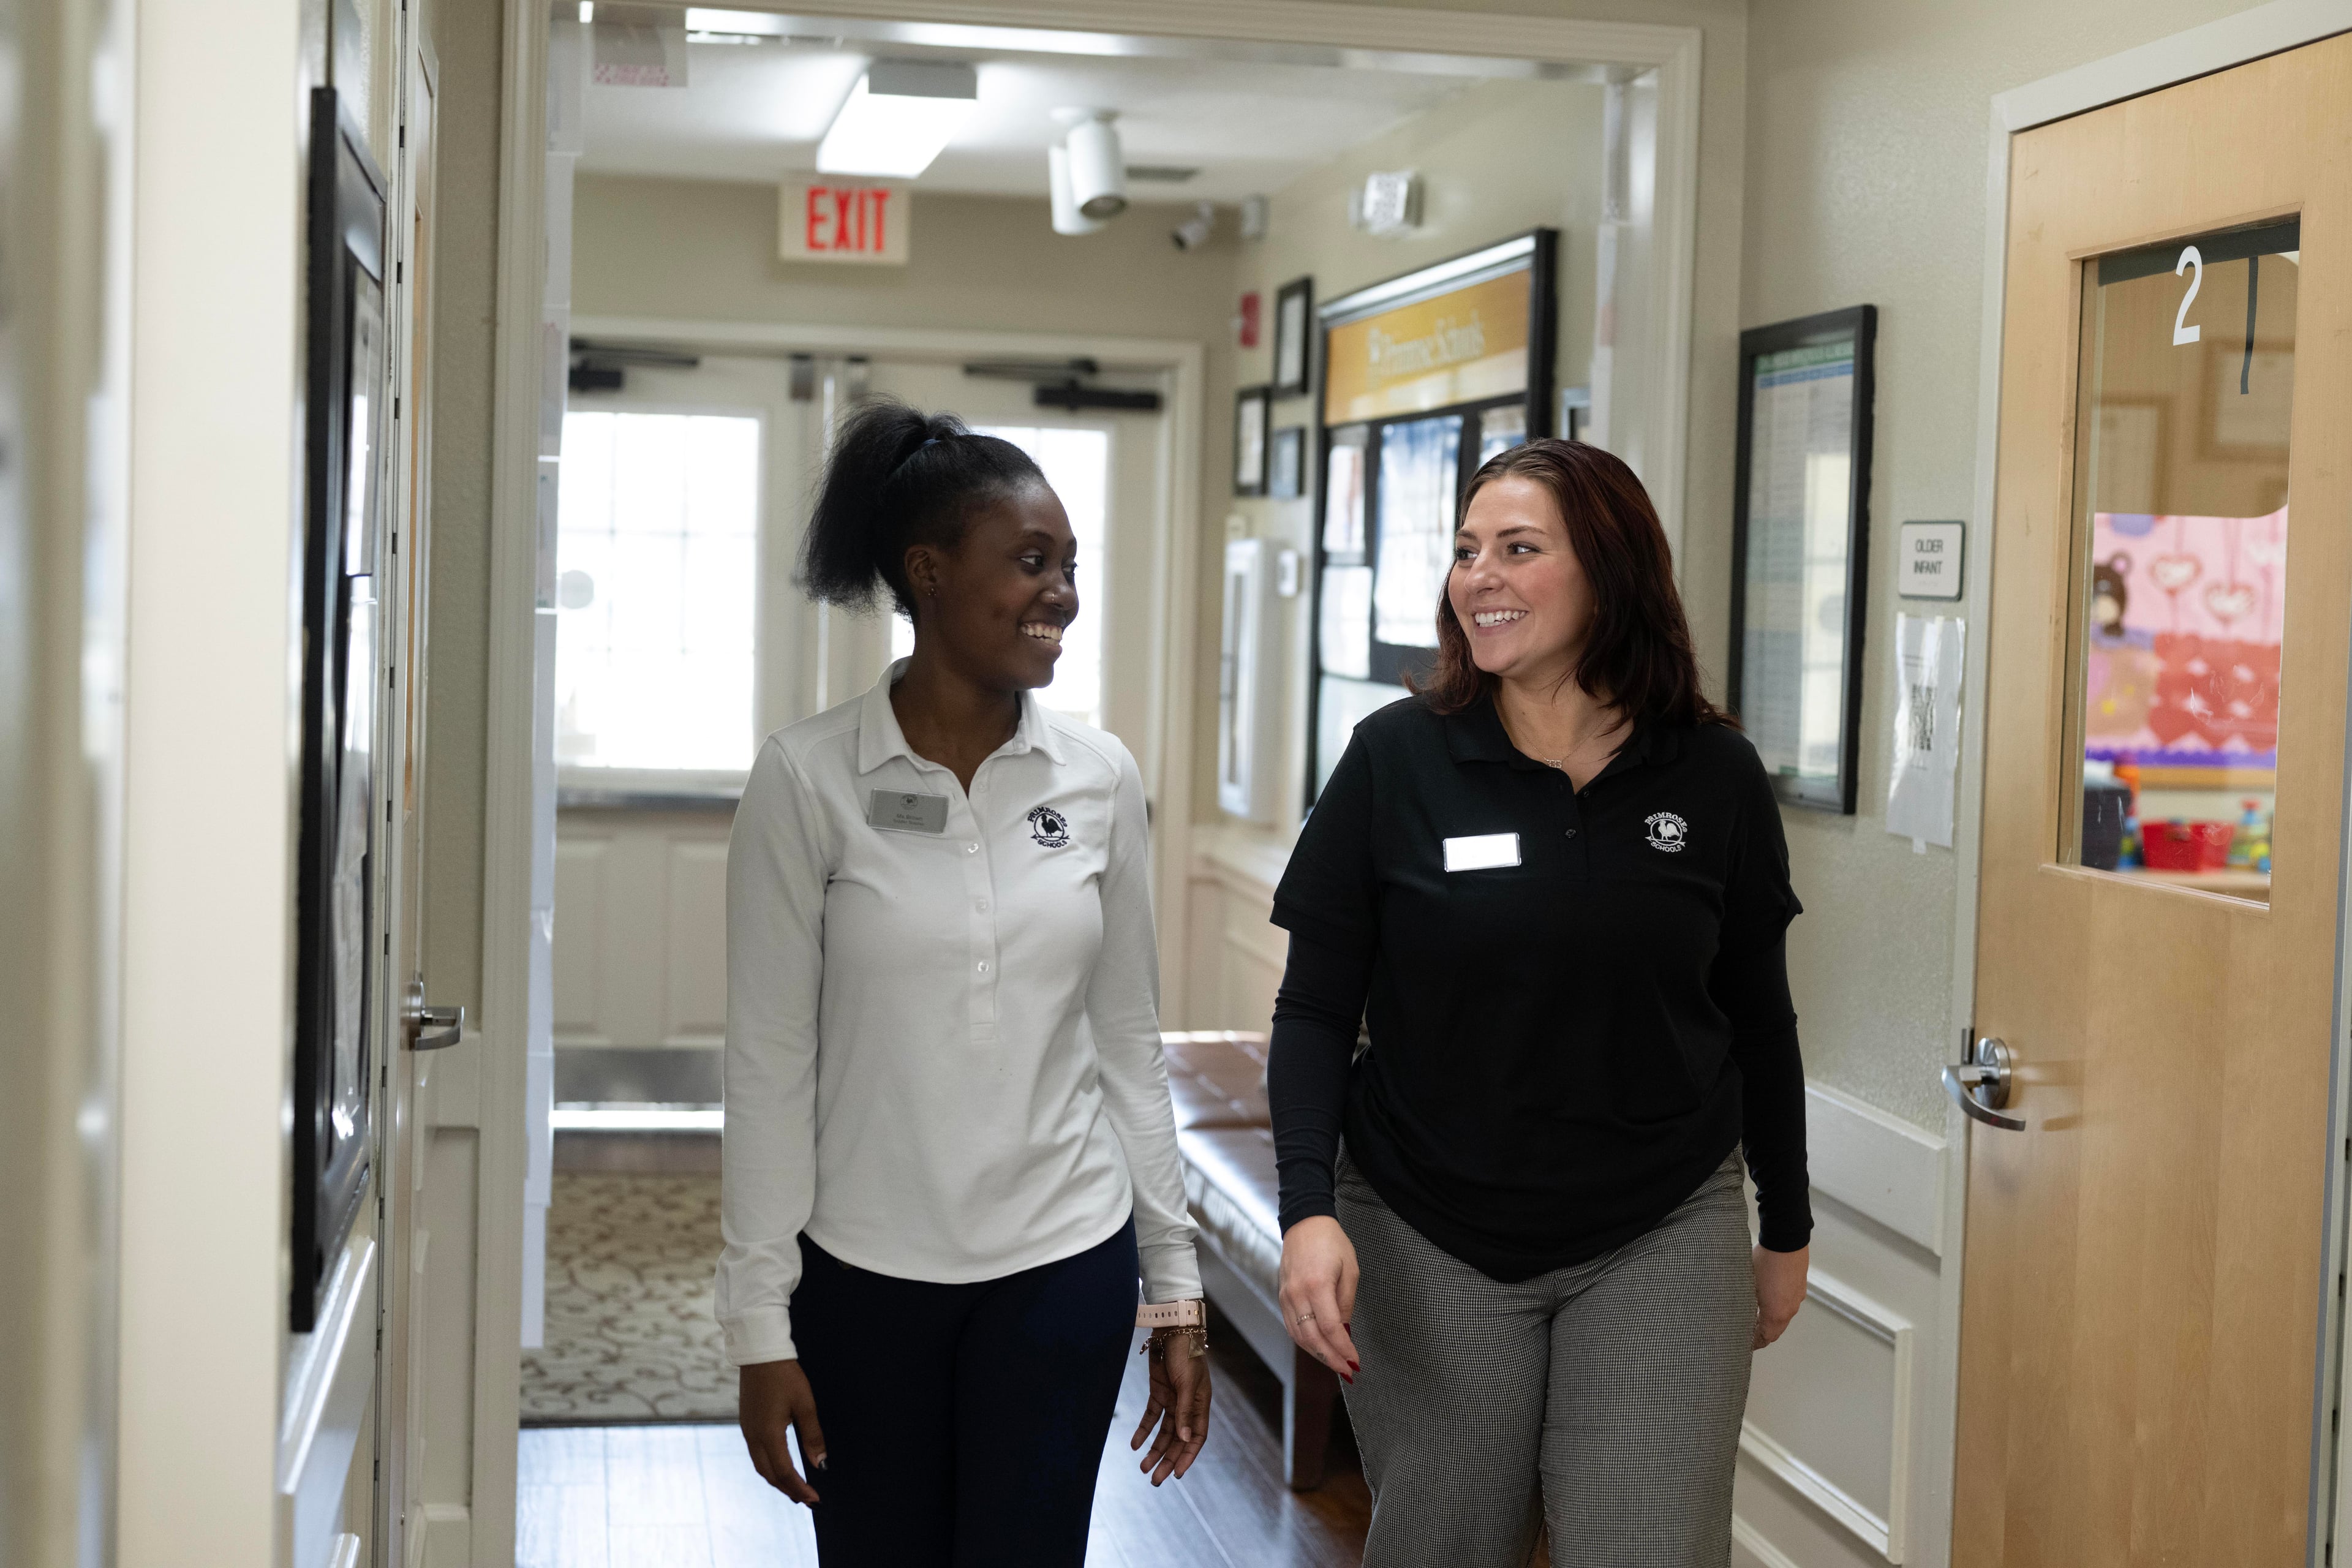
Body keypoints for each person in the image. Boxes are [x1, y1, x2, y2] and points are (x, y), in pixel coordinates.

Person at [1268, 437, 1809, 1567]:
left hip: (1660, 1220)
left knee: (1646, 1544)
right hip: (1428, 1224)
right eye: (1469, 551)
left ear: (1610, 572)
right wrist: (1307, 1207)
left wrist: (1789, 1223)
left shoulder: (1711, 775)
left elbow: (1760, 1012)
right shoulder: (1395, 759)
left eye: (1520, 549)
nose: (1482, 577)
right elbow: (1316, 1010)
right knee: (1447, 1536)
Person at [719, 400, 1212, 1567]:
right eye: (1031, 562)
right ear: (928, 571)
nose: (1063, 595)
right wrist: (757, 1325)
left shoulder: (1097, 779)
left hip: (1062, 1267)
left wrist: (1176, 1294)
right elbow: (767, 1064)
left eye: (1071, 568)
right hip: (863, 1278)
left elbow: (1129, 1046)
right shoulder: (807, 780)